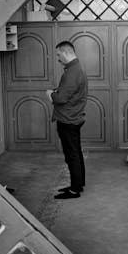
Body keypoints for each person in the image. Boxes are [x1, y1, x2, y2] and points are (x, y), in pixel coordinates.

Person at [47, 41, 88, 199]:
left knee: (72, 155)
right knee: (76, 153)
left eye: (58, 54)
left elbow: (61, 98)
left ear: (66, 53)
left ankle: (74, 190)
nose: (58, 58)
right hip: (74, 117)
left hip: (68, 120)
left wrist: (50, 94)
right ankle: (78, 184)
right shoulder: (77, 69)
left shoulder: (72, 72)